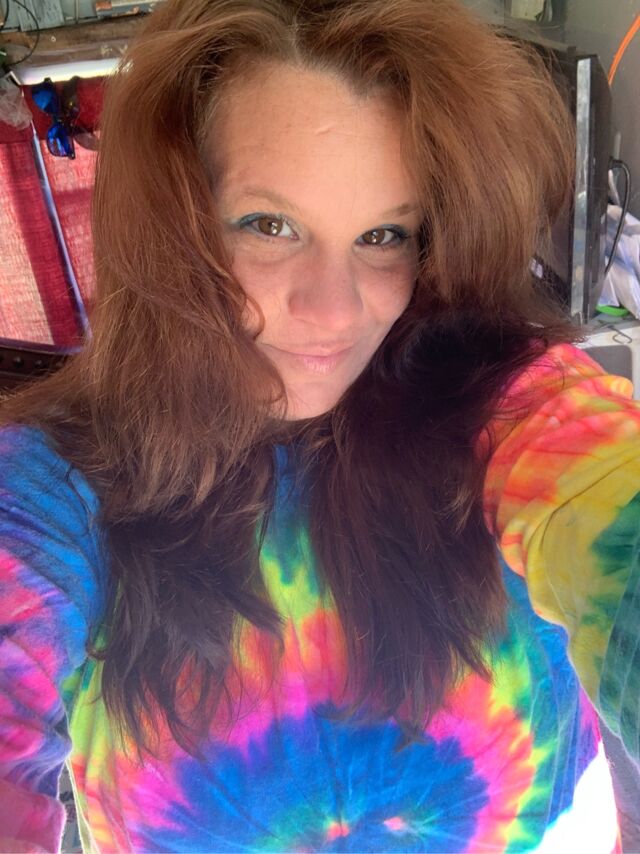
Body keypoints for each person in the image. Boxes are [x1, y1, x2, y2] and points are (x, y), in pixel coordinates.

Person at [0, 0, 639, 851]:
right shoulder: (57, 484)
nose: (336, 311)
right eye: (270, 225)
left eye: (383, 234)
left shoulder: (501, 405)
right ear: (173, 227)